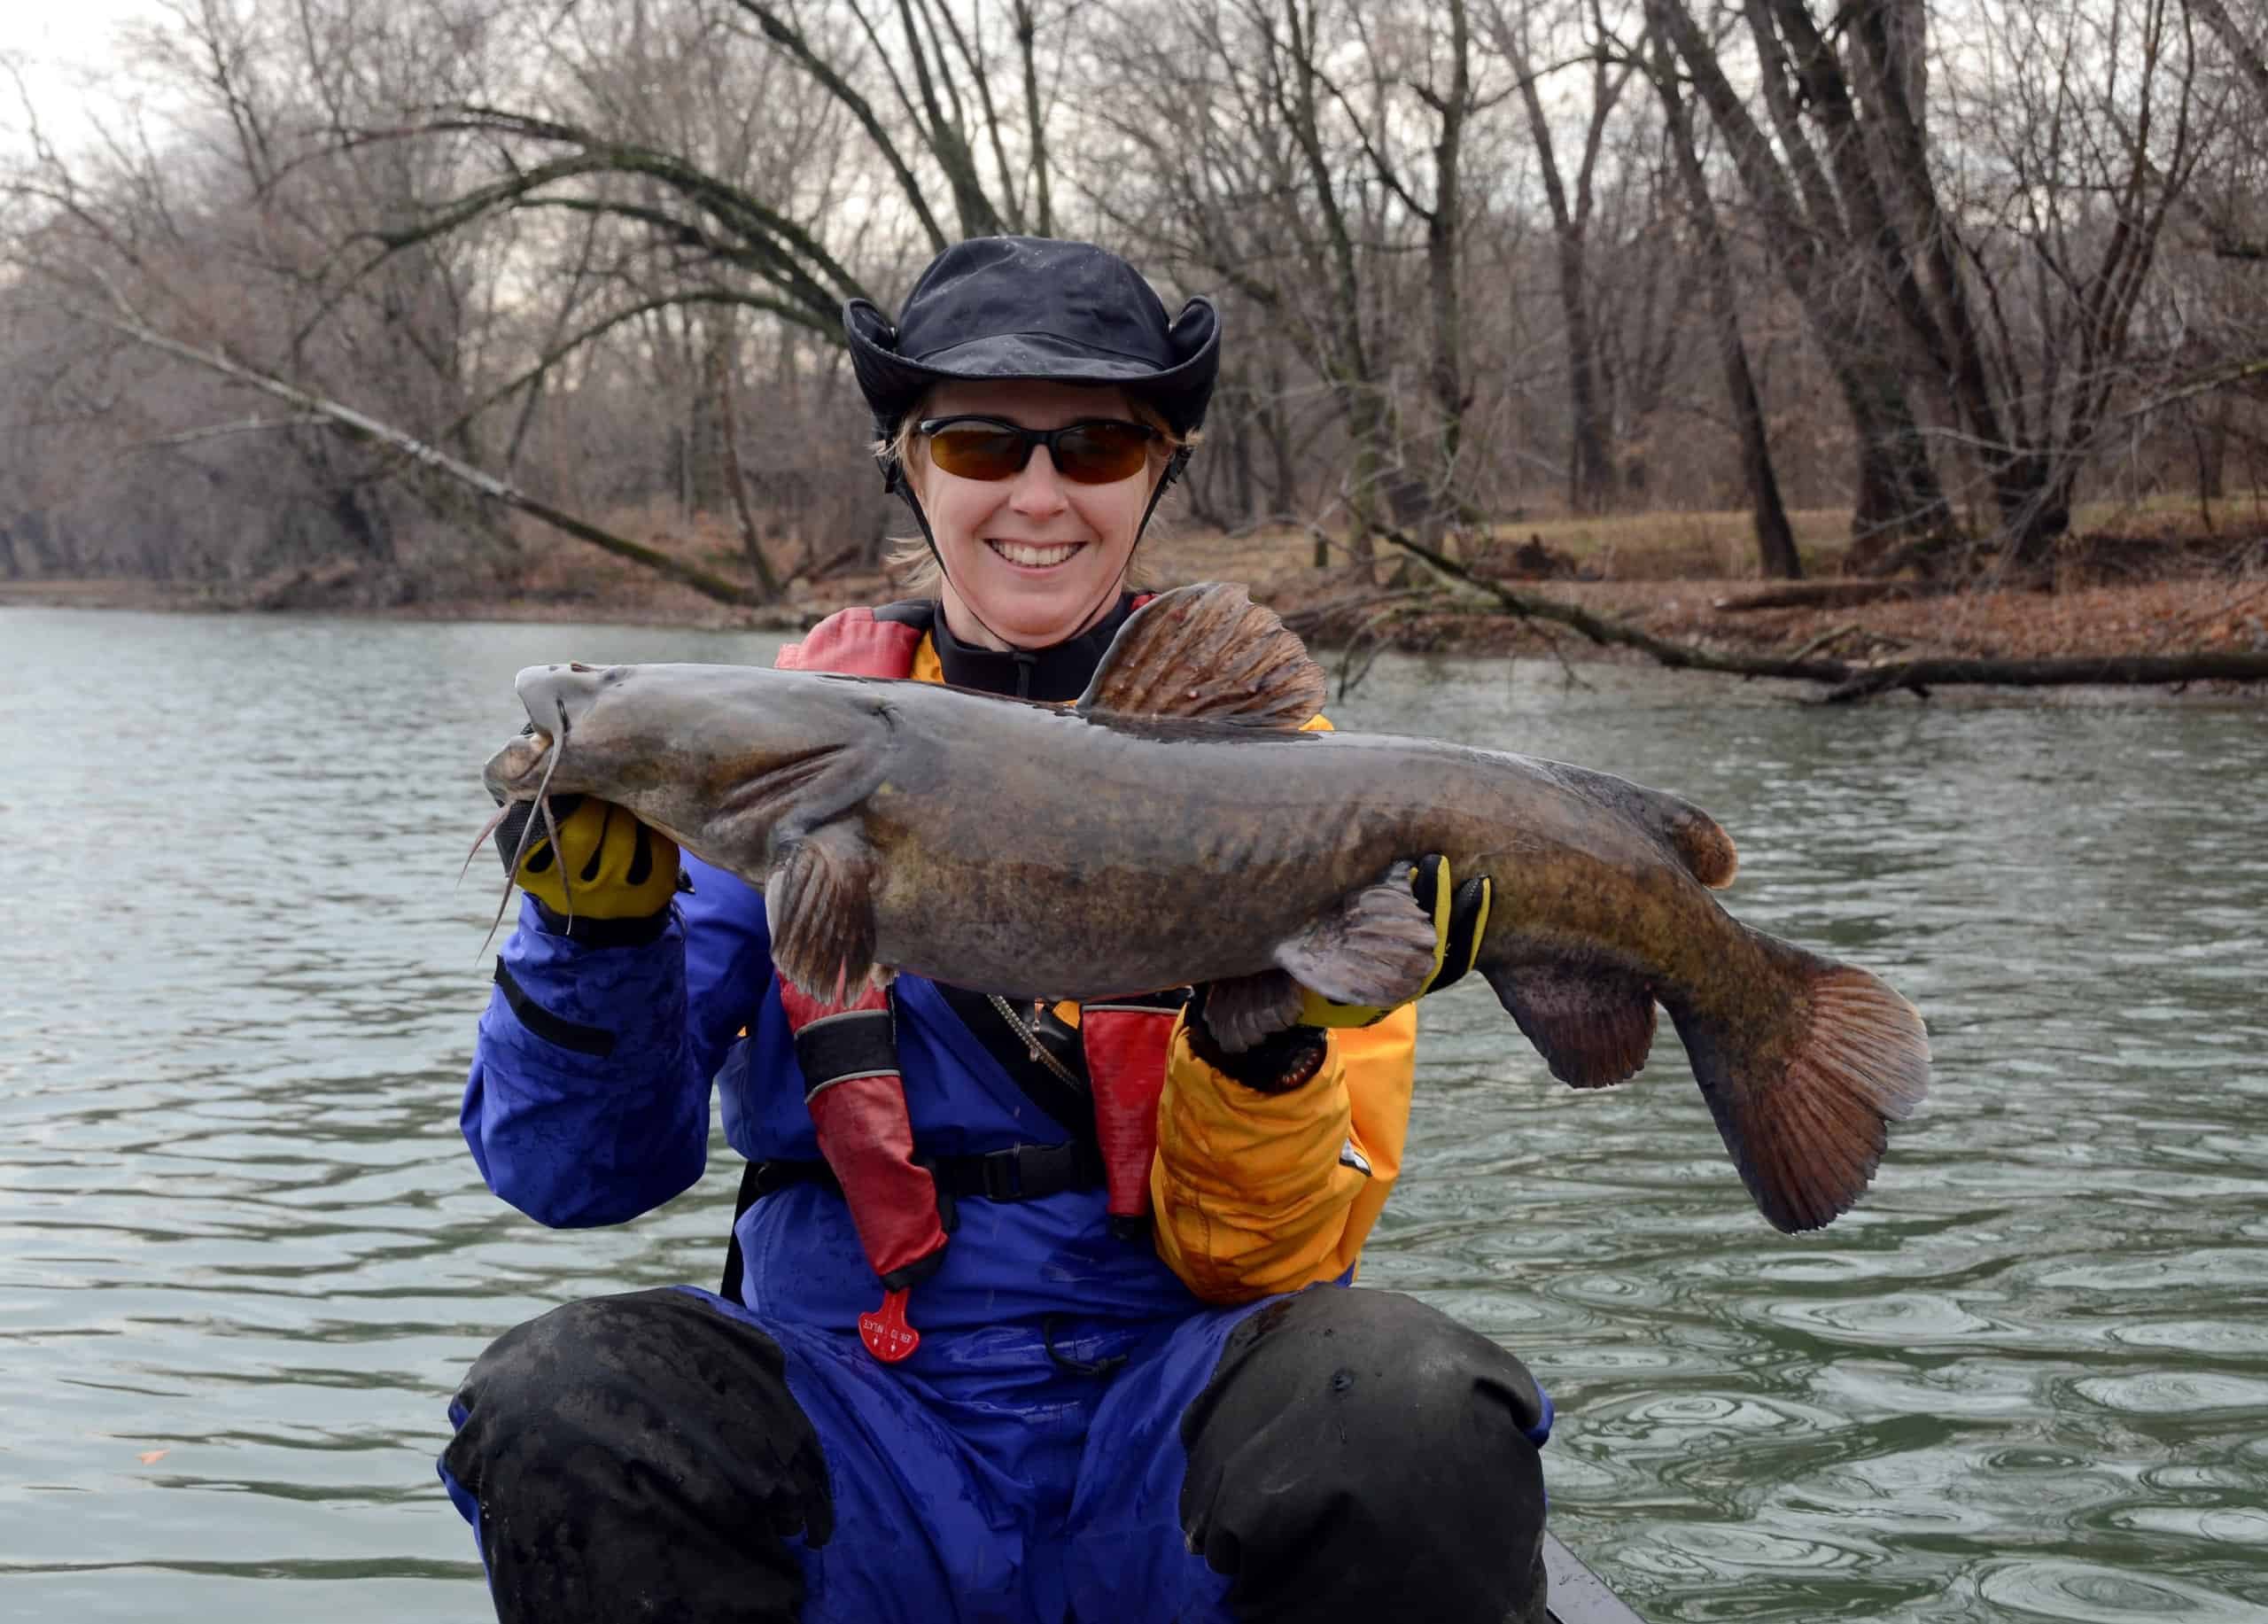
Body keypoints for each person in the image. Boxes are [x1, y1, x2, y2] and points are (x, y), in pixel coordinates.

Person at [440, 235, 1553, 1624]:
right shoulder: (768, 772)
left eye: (1094, 445)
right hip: (858, 1436)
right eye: (980, 442)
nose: (1039, 494)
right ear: (909, 463)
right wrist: (590, 948)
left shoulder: (1314, 800)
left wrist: (1266, 1048)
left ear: (1160, 466)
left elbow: (1276, 1269)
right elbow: (570, 1175)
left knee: (1409, 1409)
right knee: (565, 1399)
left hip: (1168, 1439)